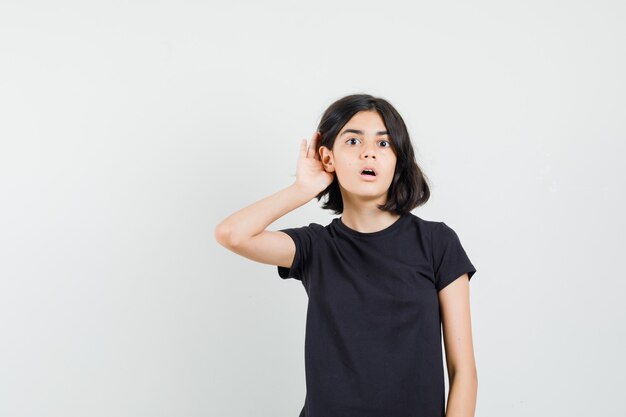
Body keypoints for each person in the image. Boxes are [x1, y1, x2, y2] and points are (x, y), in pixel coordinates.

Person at [214, 93, 478, 417]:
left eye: (384, 144)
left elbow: (463, 371)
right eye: (353, 141)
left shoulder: (437, 242)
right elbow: (233, 234)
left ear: (398, 158)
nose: (369, 152)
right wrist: (302, 189)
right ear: (328, 158)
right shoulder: (316, 246)